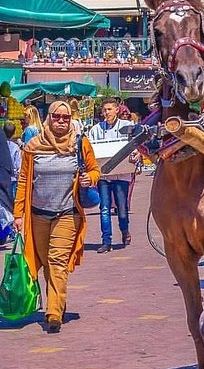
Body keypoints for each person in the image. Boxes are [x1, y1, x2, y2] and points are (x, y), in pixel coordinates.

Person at [13, 101, 100, 333]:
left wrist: (88, 179)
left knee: (57, 261)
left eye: (66, 117)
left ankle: (53, 314)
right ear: (48, 118)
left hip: (67, 214)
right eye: (57, 117)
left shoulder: (79, 144)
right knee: (45, 264)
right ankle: (58, 301)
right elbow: (23, 181)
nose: (61, 121)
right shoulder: (32, 146)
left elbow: (95, 170)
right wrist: (18, 214)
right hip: (38, 216)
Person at [88, 98, 134, 253]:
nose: (106, 112)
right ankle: (106, 240)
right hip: (103, 176)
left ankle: (124, 230)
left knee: (122, 208)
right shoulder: (95, 130)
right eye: (104, 110)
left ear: (117, 110)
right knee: (105, 208)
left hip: (121, 174)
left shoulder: (127, 127)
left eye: (109, 109)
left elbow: (133, 146)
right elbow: (91, 150)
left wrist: (135, 157)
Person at [4, 122, 21, 201]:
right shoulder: (15, 147)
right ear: (14, 133)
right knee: (11, 200)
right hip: (12, 179)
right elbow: (18, 166)